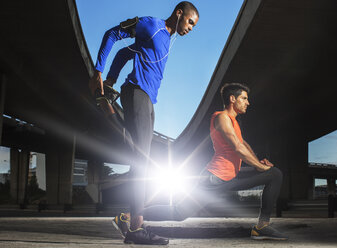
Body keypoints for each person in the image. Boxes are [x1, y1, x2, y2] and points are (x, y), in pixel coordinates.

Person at [113, 83, 288, 241]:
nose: (247, 102)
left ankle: (262, 226)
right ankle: (126, 216)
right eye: (244, 98)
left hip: (229, 178)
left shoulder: (234, 121)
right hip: (213, 178)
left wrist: (259, 161)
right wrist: (259, 166)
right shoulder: (221, 118)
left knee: (274, 174)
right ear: (232, 99)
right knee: (178, 213)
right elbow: (237, 147)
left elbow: (243, 144)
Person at [89, 1, 199, 245]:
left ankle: (103, 102)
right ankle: (136, 229)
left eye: (194, 26)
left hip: (147, 99)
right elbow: (113, 34)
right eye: (190, 21)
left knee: (137, 154)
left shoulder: (166, 39)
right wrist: (99, 71)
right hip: (137, 92)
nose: (191, 28)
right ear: (179, 13)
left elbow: (125, 53)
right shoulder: (152, 26)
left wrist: (111, 80)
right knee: (143, 162)